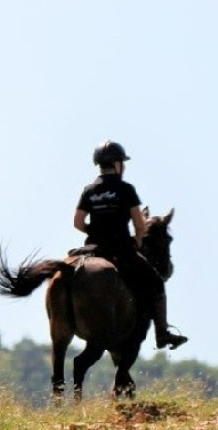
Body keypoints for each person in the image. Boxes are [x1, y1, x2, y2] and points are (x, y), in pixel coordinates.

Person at [74, 140, 187, 350]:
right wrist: (136, 240)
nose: (123, 167)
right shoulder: (126, 189)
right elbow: (138, 223)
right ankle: (162, 334)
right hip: (119, 249)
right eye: (122, 163)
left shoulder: (88, 190)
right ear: (116, 164)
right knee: (156, 283)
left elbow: (78, 223)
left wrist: (97, 232)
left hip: (93, 248)